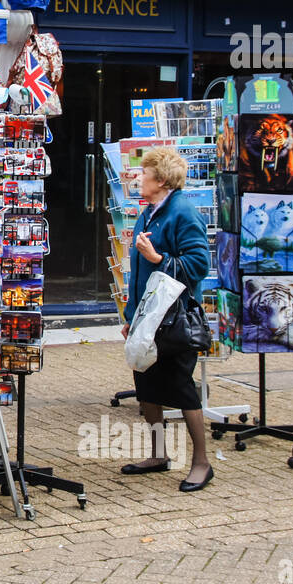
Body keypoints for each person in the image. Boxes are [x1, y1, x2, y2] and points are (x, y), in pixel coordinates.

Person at [119, 146, 214, 492]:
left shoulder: (183, 213)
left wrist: (158, 257)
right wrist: (132, 316)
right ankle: (159, 454)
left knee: (180, 387)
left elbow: (199, 265)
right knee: (147, 385)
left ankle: (202, 462)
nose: (138, 178)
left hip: (176, 318)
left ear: (160, 179)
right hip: (149, 319)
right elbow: (138, 274)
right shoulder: (149, 213)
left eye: (143, 173)